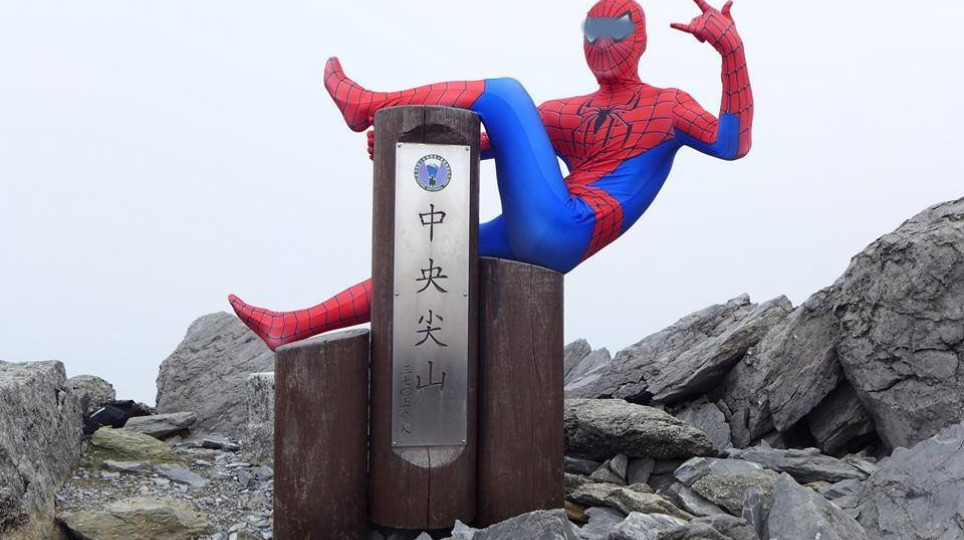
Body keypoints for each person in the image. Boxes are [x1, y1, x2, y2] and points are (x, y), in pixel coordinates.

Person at [230, 0, 754, 351]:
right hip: (537, 233)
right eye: (592, 31)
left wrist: (731, 51)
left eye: (615, 30)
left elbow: (731, 145)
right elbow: (479, 145)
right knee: (426, 262)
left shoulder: (670, 106)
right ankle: (292, 327)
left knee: (504, 94)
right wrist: (400, 139)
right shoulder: (564, 112)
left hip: (569, 226)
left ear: (640, 40)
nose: (602, 42)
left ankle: (368, 104)